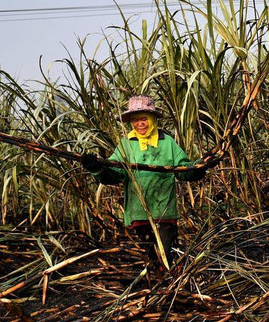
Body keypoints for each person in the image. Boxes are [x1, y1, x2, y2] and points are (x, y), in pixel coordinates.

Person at [81, 94, 205, 271]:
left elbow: (183, 171)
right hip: (139, 211)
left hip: (164, 209)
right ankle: (162, 287)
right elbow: (114, 175)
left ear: (153, 119)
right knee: (152, 255)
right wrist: (96, 168)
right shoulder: (126, 144)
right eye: (135, 120)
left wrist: (199, 167)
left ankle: (170, 285)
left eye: (144, 119)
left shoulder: (167, 142)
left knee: (164, 251)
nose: (140, 124)